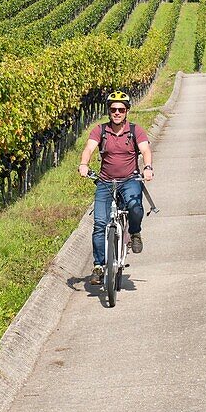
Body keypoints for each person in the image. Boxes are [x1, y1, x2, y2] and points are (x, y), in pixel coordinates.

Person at [79, 90, 154, 285]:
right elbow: (89, 148)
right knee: (100, 224)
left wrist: (147, 168)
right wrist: (84, 164)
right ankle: (98, 266)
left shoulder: (135, 130)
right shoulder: (100, 130)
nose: (117, 112)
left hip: (130, 180)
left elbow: (145, 149)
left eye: (121, 109)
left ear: (127, 111)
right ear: (109, 111)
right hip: (105, 181)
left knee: (135, 207)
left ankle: (135, 232)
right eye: (113, 109)